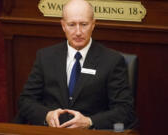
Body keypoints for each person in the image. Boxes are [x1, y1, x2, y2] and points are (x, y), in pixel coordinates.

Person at [18, 0, 136, 129]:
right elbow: (26, 100)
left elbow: (124, 110)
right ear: (63, 26)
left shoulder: (112, 60)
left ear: (93, 24)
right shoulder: (45, 57)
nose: (78, 32)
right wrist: (47, 115)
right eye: (72, 25)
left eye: (84, 24)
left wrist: (90, 121)